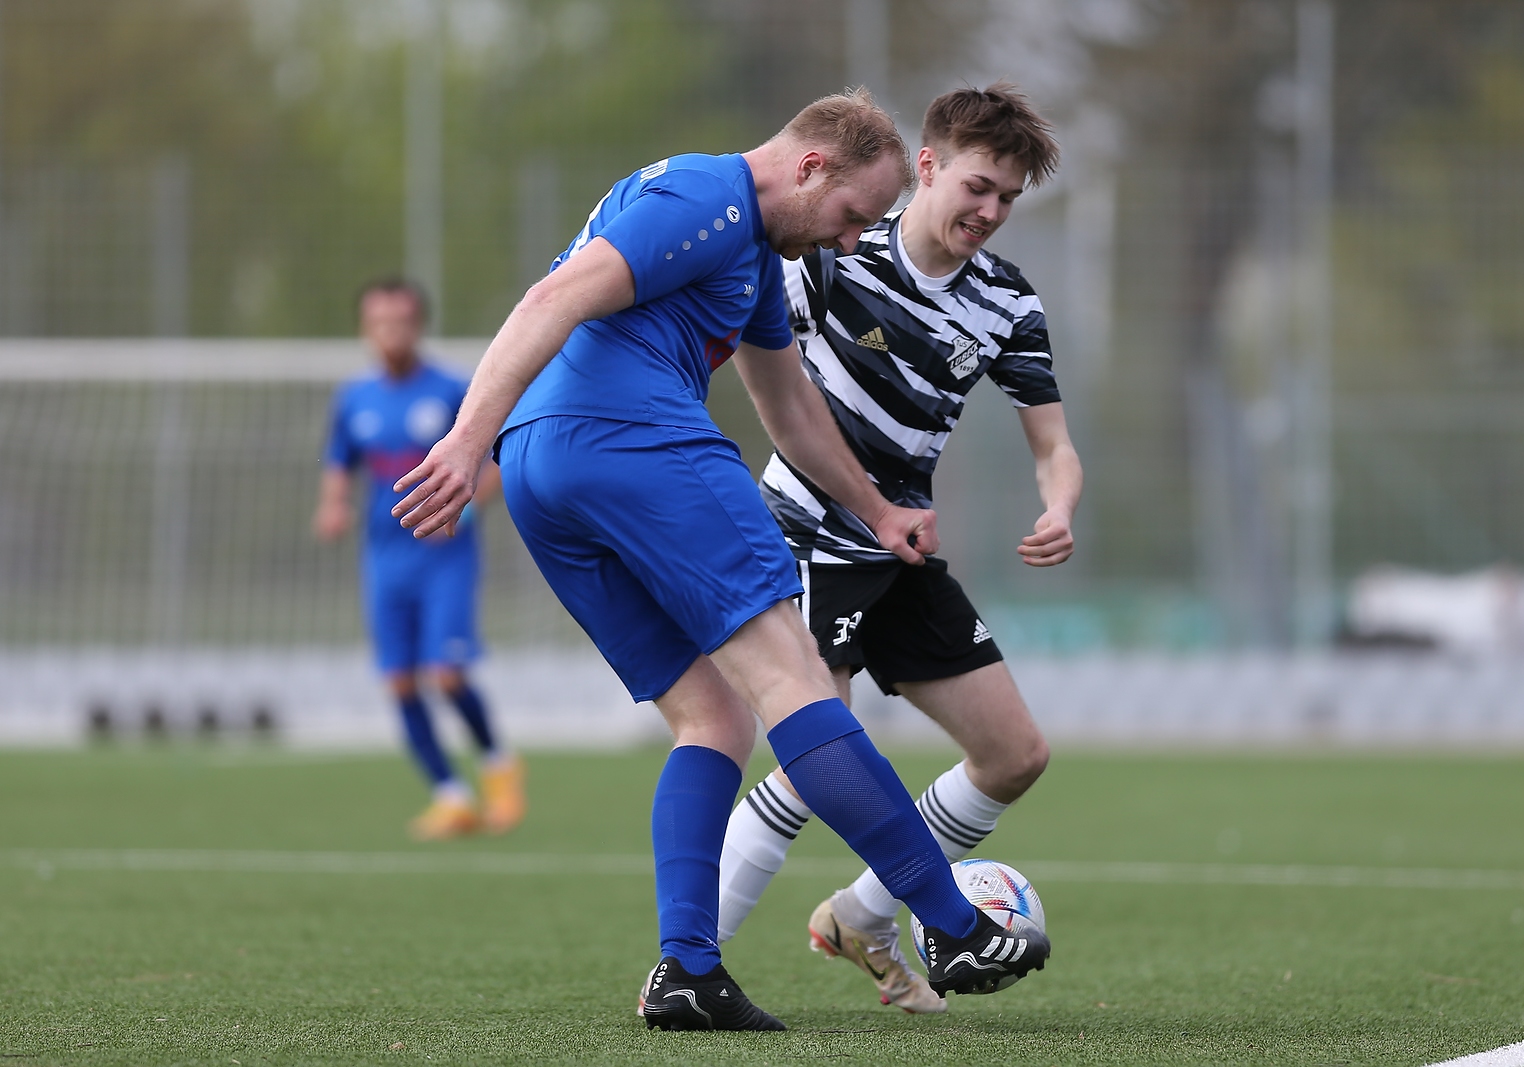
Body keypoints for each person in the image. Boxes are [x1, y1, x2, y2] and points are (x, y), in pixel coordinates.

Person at [389, 89, 1049, 1032]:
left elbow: (791, 409)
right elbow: (554, 296)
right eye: (850, 214)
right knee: (793, 680)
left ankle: (688, 971)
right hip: (634, 439)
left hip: (545, 468)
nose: (849, 238)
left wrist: (877, 511)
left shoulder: (753, 256)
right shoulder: (710, 198)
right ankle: (952, 922)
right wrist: (462, 441)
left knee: (713, 717)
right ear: (810, 166)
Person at [714, 83, 1082, 1014]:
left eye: (1008, 199)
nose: (990, 211)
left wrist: (1060, 504)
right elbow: (757, 368)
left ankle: (860, 916)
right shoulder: (834, 255)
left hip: (900, 548)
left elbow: (1053, 443)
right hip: (806, 532)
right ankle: (690, 960)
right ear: (927, 165)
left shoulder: (1006, 302)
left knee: (1015, 754)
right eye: (978, 186)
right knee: (817, 753)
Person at [314, 278, 525, 841]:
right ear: (365, 329)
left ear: (419, 326)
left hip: (444, 556)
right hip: (384, 559)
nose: (391, 333)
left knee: (447, 674)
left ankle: (499, 765)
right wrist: (333, 505)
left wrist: (465, 509)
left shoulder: (454, 390)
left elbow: (497, 459)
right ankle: (451, 797)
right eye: (379, 323)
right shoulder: (354, 398)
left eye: (401, 321)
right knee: (400, 683)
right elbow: (339, 462)